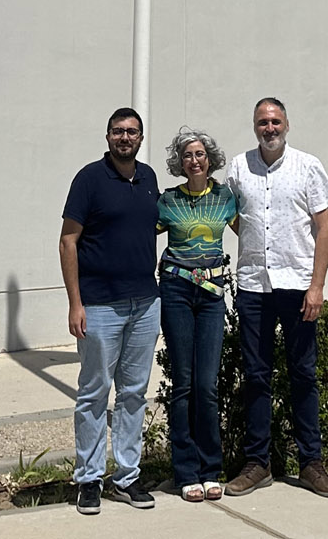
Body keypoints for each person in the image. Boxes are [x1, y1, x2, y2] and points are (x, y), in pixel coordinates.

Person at [223, 97, 328, 499]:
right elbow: (232, 215)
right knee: (256, 376)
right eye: (262, 122)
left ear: (286, 124)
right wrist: (256, 240)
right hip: (254, 286)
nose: (269, 128)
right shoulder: (238, 168)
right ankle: (258, 463)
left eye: (275, 121)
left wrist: (317, 286)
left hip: (298, 286)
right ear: (254, 126)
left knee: (303, 374)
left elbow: (324, 229)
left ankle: (312, 464)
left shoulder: (308, 166)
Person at [59, 108, 161, 515]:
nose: (125, 138)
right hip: (100, 306)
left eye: (132, 132)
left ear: (141, 138)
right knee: (94, 394)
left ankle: (127, 477)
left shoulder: (149, 178)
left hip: (145, 303)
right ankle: (89, 479)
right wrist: (75, 303)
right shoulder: (89, 179)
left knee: (133, 394)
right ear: (107, 136)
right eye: (118, 131)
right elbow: (68, 241)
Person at [155, 127, 237, 503]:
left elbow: (254, 233)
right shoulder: (168, 200)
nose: (194, 160)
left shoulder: (225, 198)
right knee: (184, 383)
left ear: (210, 159)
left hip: (212, 295)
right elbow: (138, 234)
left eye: (200, 154)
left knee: (207, 385)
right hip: (176, 291)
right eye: (187, 155)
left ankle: (210, 469)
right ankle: (186, 471)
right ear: (180, 162)